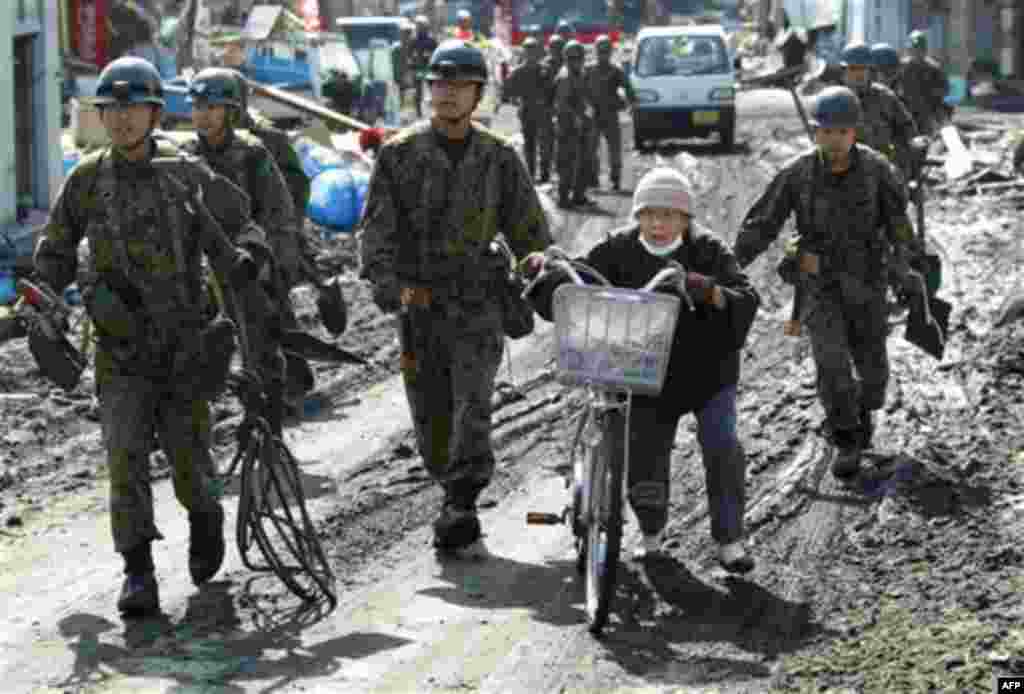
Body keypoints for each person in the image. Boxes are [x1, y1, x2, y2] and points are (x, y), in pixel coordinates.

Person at [34, 57, 266, 615]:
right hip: (120, 351)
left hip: (185, 345)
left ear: (154, 113)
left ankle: (206, 518)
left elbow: (238, 225)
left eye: (131, 108)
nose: (120, 120)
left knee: (190, 460)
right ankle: (137, 572)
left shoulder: (185, 171)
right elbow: (58, 249)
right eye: (110, 109)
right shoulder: (87, 178)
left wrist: (250, 258)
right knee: (125, 459)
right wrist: (44, 295)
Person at [357, 40, 553, 555]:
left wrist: (541, 267)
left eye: (459, 85)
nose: (447, 94)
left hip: (477, 301)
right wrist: (387, 285)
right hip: (419, 305)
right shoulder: (398, 154)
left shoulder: (498, 156)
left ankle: (462, 501)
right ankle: (449, 487)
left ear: (477, 94)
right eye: (439, 84)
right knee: (430, 413)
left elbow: (530, 230)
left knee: (473, 404)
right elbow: (376, 234)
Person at [522, 167, 760, 571]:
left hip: (708, 372)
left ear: (686, 219)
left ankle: (730, 540)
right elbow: (578, 279)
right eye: (650, 214)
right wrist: (546, 272)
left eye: (670, 215)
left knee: (721, 447)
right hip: (645, 373)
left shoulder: (709, 249)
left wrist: (707, 289)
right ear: (638, 216)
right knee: (645, 456)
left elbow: (746, 296)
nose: (659, 224)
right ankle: (652, 535)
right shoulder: (618, 248)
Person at [733, 86, 921, 479]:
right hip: (820, 286)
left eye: (842, 132)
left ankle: (863, 414)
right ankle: (847, 438)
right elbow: (763, 221)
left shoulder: (877, 171)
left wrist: (906, 269)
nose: (833, 140)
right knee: (832, 363)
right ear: (815, 133)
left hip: (869, 282)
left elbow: (900, 227)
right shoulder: (799, 173)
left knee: (874, 375)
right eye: (826, 132)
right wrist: (732, 263)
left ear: (854, 133)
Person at [185, 67, 298, 436]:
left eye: (211, 108)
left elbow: (278, 214)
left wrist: (272, 268)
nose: (202, 115)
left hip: (250, 265)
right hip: (204, 272)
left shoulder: (252, 153)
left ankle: (268, 424)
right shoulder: (183, 157)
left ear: (229, 111)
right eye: (197, 107)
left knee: (261, 352)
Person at [839, 41, 917, 177]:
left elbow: (907, 129)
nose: (858, 74)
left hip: (881, 172)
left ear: (870, 71)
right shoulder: (835, 100)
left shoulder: (884, 97)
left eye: (862, 69)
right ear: (844, 72)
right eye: (853, 69)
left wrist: (899, 161)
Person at [586, 35, 634, 191]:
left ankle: (615, 179)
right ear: (596, 51)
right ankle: (593, 178)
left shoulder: (616, 71)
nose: (603, 54)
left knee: (614, 149)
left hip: (610, 114)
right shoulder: (588, 70)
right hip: (593, 114)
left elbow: (629, 89)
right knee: (591, 149)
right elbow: (579, 89)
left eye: (606, 51)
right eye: (601, 51)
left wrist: (629, 104)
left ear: (611, 52)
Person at [502, 37, 553, 181]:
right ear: (524, 53)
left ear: (538, 52)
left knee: (544, 144)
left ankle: (545, 174)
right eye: (528, 51)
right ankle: (530, 173)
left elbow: (552, 90)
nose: (531, 54)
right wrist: (516, 99)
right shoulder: (518, 71)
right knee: (529, 144)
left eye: (533, 51)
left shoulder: (545, 70)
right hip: (526, 111)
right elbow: (507, 90)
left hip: (543, 111)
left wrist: (549, 105)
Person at [554, 40, 595, 208]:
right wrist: (576, 116)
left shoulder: (579, 73)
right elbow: (561, 104)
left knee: (584, 160)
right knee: (567, 162)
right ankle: (563, 198)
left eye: (578, 58)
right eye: (572, 58)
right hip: (567, 125)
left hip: (580, 122)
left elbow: (582, 96)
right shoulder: (565, 77)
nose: (576, 61)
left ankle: (579, 195)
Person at [898, 30, 950, 136]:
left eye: (919, 49)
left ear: (924, 50)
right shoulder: (902, 67)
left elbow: (945, 89)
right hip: (906, 112)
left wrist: (932, 95)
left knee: (928, 139)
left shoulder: (933, 68)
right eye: (913, 49)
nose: (916, 53)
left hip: (927, 114)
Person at [539, 35, 567, 184]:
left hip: (561, 109)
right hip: (547, 109)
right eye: (554, 47)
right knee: (545, 143)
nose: (556, 51)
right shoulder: (545, 66)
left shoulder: (566, 65)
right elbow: (541, 87)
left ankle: (560, 173)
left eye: (558, 48)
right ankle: (545, 173)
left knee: (561, 143)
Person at [411, 15, 440, 118]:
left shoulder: (431, 40)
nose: (420, 28)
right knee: (418, 91)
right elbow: (410, 53)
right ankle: (418, 112)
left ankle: (436, 111)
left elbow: (437, 53)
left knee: (434, 90)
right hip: (418, 68)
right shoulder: (414, 40)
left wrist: (430, 56)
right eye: (418, 26)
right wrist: (412, 62)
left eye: (421, 26)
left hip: (429, 68)